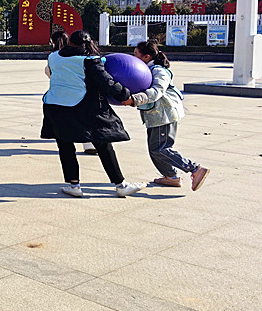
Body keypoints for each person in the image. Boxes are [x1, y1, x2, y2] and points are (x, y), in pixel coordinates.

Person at [41, 30, 146, 198]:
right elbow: (107, 83)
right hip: (83, 107)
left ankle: (73, 185)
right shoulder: (89, 61)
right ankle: (120, 185)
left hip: (55, 106)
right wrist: (126, 96)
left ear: (70, 42)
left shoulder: (53, 57)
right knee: (103, 145)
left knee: (65, 146)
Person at [122, 39, 210, 191]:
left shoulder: (159, 71)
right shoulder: (147, 70)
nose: (132, 56)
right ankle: (171, 177)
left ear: (146, 57)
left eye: (135, 54)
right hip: (155, 115)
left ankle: (195, 169)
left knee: (160, 148)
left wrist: (134, 100)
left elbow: (157, 91)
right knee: (155, 149)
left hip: (164, 114)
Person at [46, 31, 97, 155]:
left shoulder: (54, 55)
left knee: (65, 133)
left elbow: (50, 73)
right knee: (86, 120)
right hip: (81, 93)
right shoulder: (86, 55)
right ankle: (89, 144)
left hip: (60, 95)